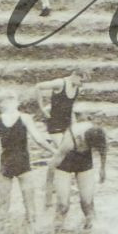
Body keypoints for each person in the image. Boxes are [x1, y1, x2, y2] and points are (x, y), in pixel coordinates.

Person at [0, 89, 57, 226]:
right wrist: (54, 151)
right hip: (22, 161)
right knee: (29, 203)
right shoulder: (24, 118)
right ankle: (32, 232)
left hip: (6, 162)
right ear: (16, 102)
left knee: (3, 204)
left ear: (0, 104)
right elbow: (39, 140)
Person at [36, 68, 86, 206]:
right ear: (75, 75)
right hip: (55, 125)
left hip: (67, 125)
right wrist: (41, 108)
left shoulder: (76, 88)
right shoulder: (60, 83)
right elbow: (38, 86)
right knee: (63, 153)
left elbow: (70, 109)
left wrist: (75, 128)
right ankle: (50, 187)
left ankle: (62, 183)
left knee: (72, 152)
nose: (82, 84)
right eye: (81, 80)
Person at [47, 121, 107, 229]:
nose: (83, 148)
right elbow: (52, 166)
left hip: (84, 162)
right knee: (63, 206)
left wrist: (102, 168)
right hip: (65, 162)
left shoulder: (98, 135)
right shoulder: (69, 142)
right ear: (81, 139)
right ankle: (56, 232)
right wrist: (48, 196)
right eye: (82, 146)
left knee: (88, 204)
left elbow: (103, 149)